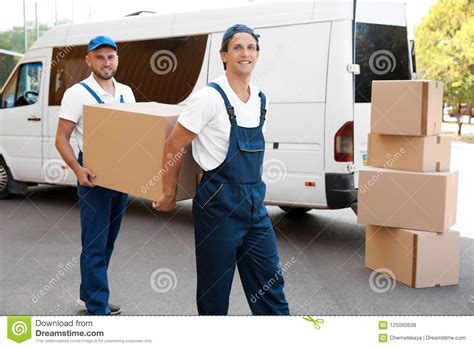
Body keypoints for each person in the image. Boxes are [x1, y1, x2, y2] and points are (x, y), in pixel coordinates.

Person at [152, 24, 290, 315]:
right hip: (217, 205)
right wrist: (167, 192)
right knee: (215, 293)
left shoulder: (262, 99)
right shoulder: (208, 98)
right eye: (237, 47)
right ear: (224, 55)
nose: (245, 53)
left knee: (271, 286)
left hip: (255, 206)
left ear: (258, 55)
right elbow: (173, 144)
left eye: (251, 47)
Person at [55, 35, 136, 315]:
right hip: (93, 173)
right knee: (95, 242)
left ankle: (89, 294)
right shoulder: (77, 93)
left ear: (117, 59)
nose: (106, 62)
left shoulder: (126, 92)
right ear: (89, 60)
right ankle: (97, 304)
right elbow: (61, 138)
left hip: (122, 174)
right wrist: (78, 170)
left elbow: (133, 136)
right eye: (99, 57)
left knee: (108, 240)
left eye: (110, 56)